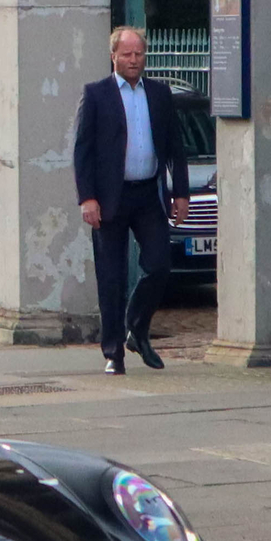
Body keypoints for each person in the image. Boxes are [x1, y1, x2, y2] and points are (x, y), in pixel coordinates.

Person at [72, 26, 191, 375]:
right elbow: (83, 150)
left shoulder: (159, 93)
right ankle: (114, 353)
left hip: (147, 193)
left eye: (138, 54)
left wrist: (180, 192)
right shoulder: (97, 94)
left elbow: (175, 147)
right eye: (127, 54)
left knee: (159, 264)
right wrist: (87, 198)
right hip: (110, 198)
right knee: (111, 277)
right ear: (114, 56)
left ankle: (136, 328)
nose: (133, 60)